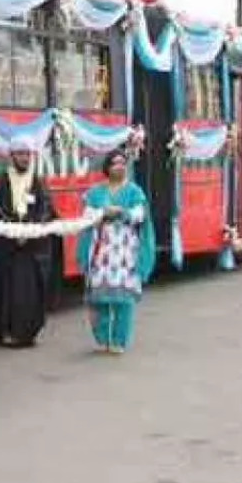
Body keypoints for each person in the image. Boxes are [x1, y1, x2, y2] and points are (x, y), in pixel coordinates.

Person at [76, 148, 156, 354]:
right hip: (101, 252)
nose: (119, 166)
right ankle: (103, 339)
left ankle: (119, 341)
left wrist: (123, 212)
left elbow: (140, 214)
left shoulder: (134, 191)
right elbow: (87, 214)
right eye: (115, 163)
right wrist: (103, 212)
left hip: (125, 253)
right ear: (107, 167)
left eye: (122, 163)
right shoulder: (95, 192)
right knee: (99, 298)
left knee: (123, 299)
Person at [0, 139, 55, 348]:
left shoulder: (38, 182)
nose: (24, 158)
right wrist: (14, 231)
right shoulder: (0, 182)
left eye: (27, 154)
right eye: (20, 154)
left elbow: (46, 209)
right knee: (6, 290)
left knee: (29, 291)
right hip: (7, 246)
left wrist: (30, 230)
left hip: (31, 247)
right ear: (12, 156)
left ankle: (26, 333)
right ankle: (5, 331)